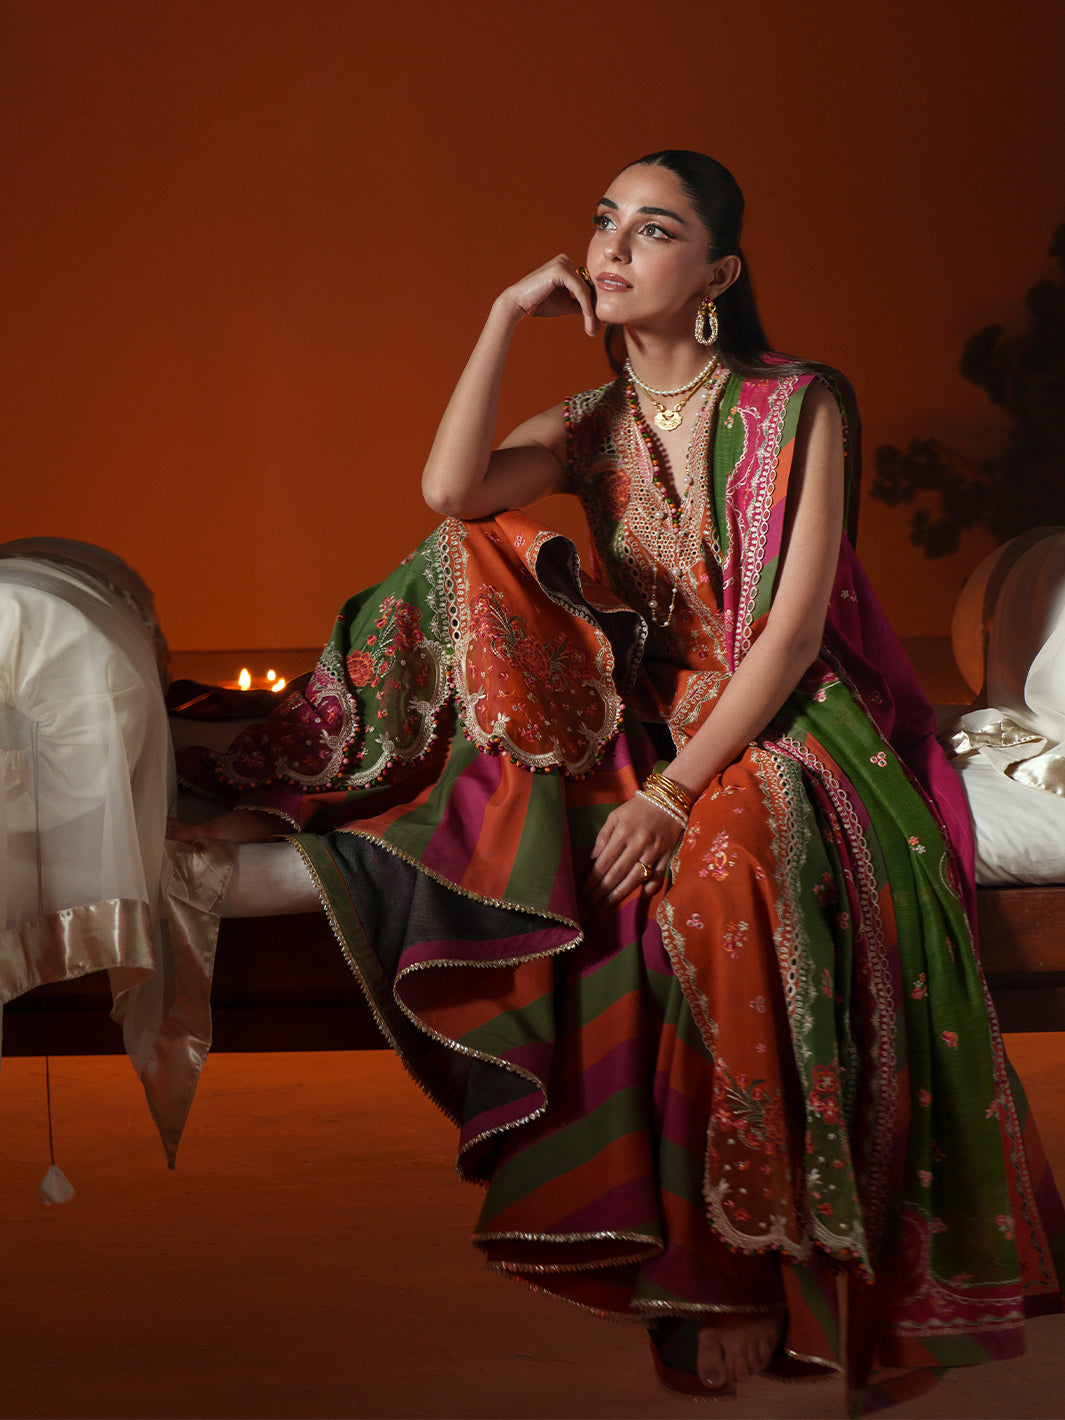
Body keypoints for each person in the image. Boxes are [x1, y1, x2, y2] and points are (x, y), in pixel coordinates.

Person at [172, 151, 1064, 1412]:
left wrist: (671, 795)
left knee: (710, 887)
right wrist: (501, 314)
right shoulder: (591, 423)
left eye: (653, 229)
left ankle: (741, 1271)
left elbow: (791, 638)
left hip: (789, 717)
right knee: (466, 551)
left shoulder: (798, 402)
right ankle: (312, 786)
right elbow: (450, 488)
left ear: (718, 273)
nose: (613, 247)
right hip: (650, 707)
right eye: (604, 223)